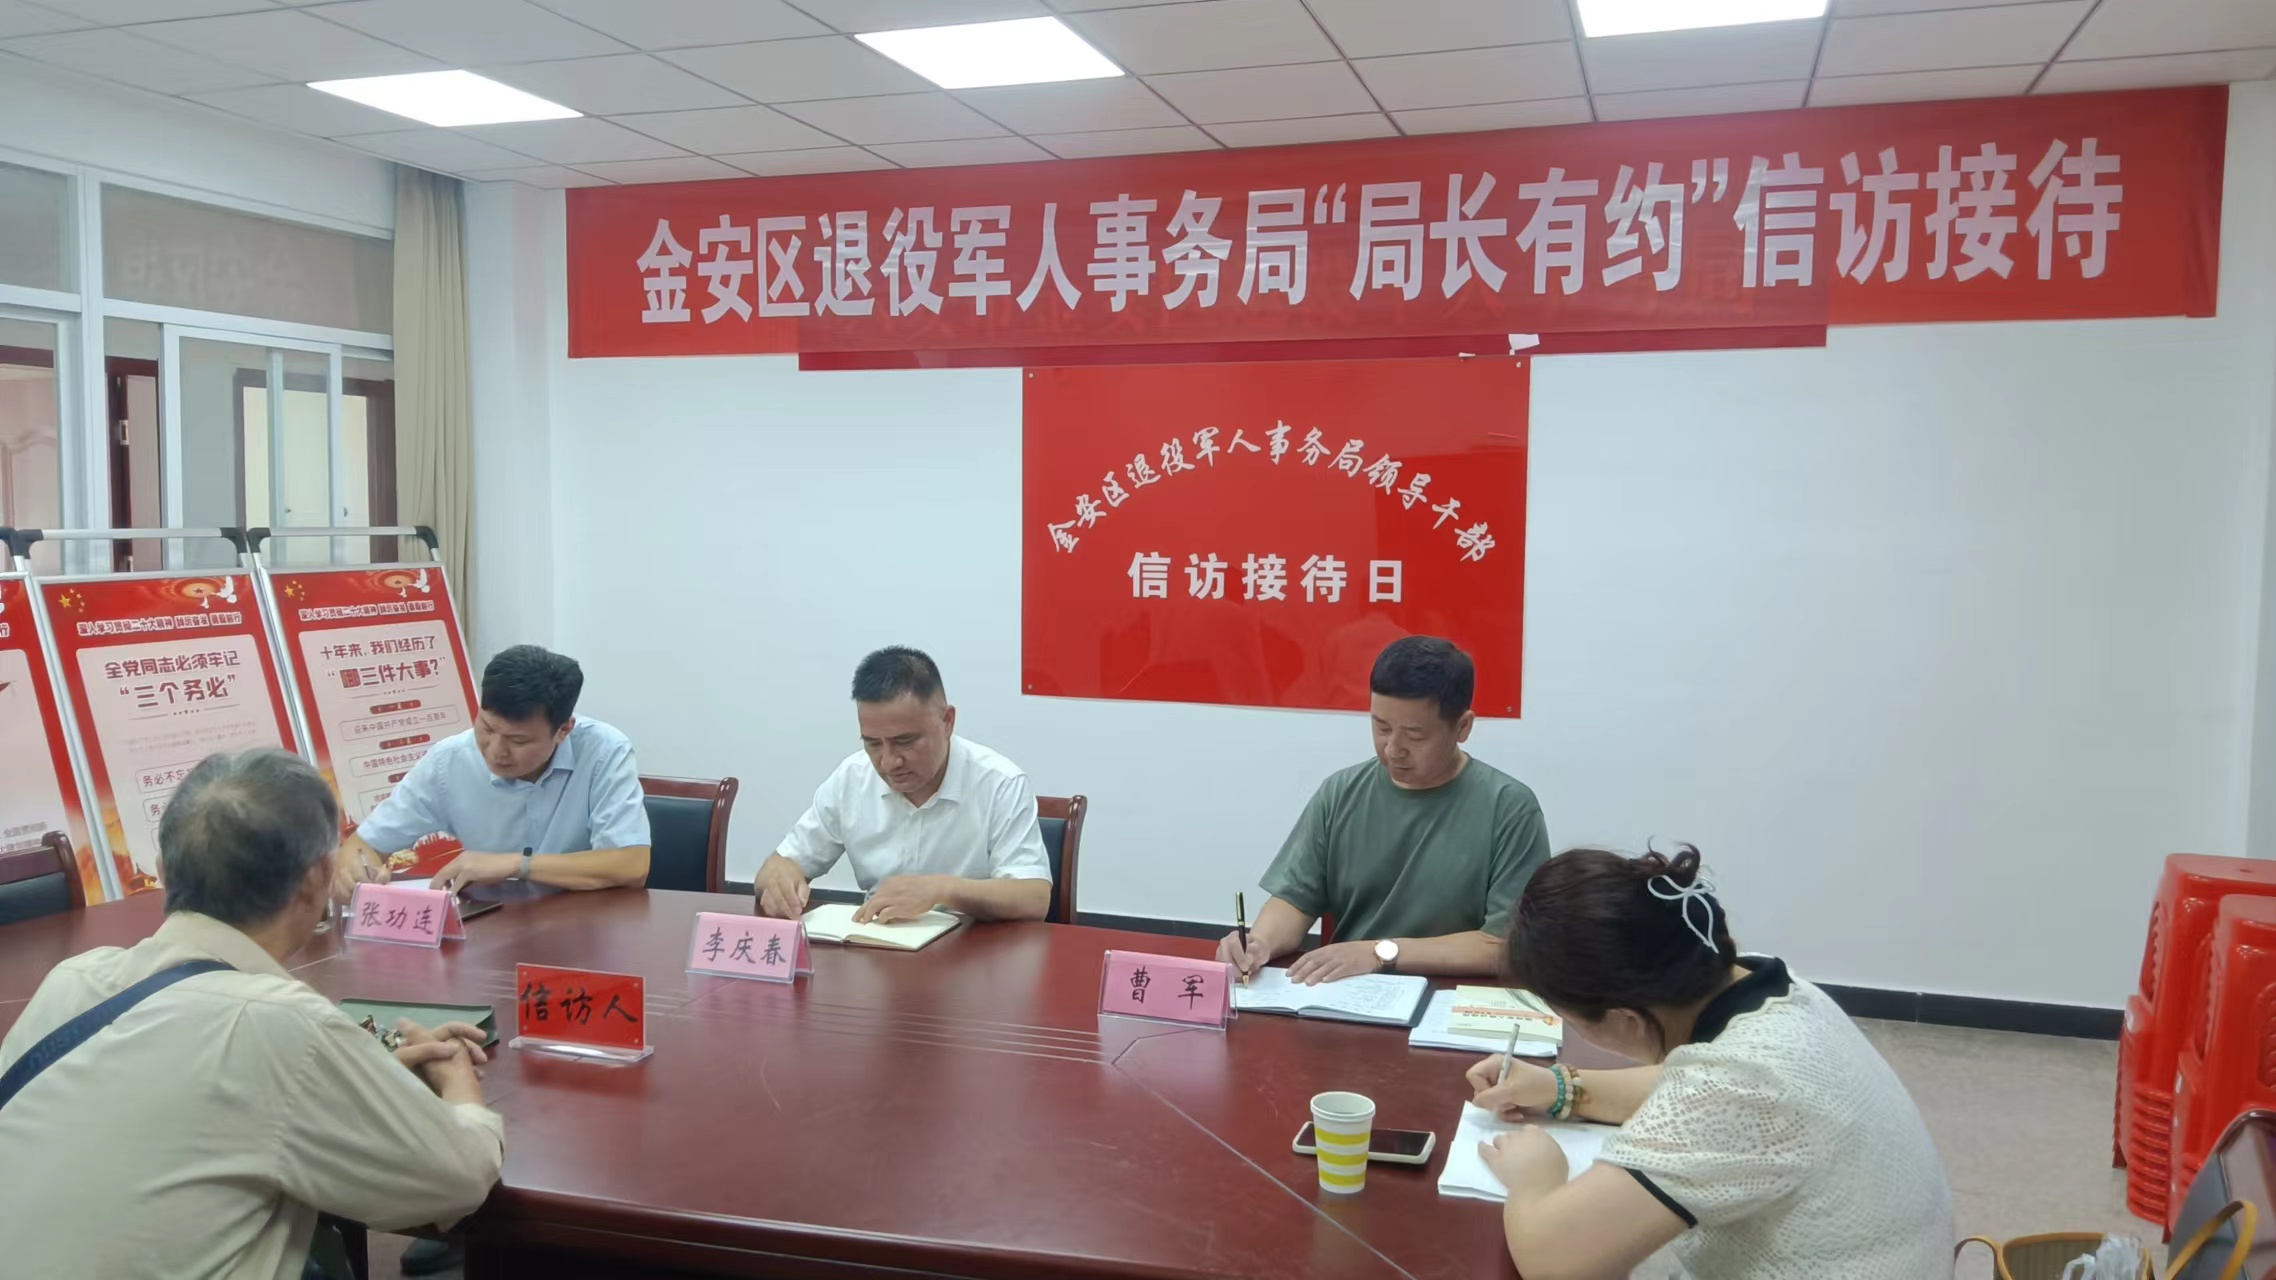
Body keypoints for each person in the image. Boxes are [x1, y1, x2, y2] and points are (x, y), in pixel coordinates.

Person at [0, 749, 503, 1280]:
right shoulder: (279, 1023)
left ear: (164, 872)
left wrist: (362, 1078)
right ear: (317, 878)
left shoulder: (73, 980)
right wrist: (458, 1082)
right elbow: (457, 1181)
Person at [1464, 845, 1954, 1279]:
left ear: (1626, 1019)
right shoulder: (1773, 989)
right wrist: (1562, 1087)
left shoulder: (1736, 1086)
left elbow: (1553, 1260)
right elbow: (1690, 1088)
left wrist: (1535, 1178)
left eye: (1571, 1020)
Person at [1215, 636, 1550, 983]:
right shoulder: (1341, 793)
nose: (1392, 749)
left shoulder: (1509, 808)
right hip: (1346, 994)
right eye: (1382, 727)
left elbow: (1501, 946)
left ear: (1462, 727)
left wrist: (1379, 953)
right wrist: (1259, 944)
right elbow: (1294, 901)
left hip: (1452, 999)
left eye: (1415, 736)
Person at [755, 646, 1052, 924]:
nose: (888, 762)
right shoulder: (852, 778)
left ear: (947, 721)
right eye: (873, 743)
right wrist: (780, 877)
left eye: (905, 741)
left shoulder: (999, 783)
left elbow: (1034, 898)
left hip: (974, 950)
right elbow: (780, 865)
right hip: (878, 945)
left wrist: (942, 890)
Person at [339, 644, 650, 896]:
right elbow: (363, 845)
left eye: (518, 740)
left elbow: (631, 865)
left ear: (563, 730)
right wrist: (355, 874)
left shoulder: (603, 751)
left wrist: (516, 865)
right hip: (491, 929)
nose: (495, 751)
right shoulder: (449, 761)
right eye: (487, 728)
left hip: (584, 928)